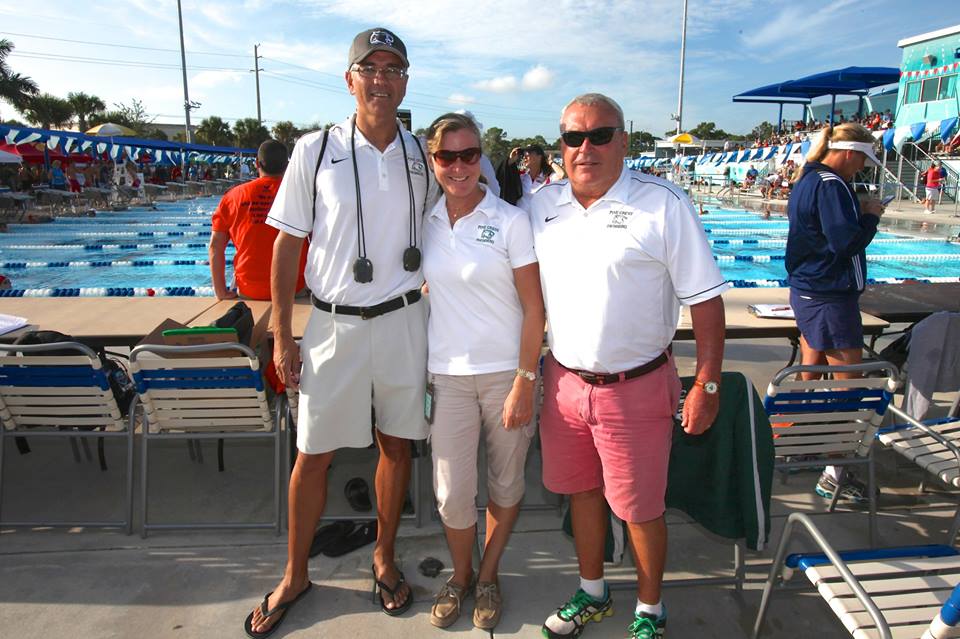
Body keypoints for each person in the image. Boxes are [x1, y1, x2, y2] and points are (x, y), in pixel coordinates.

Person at [247, 27, 435, 637]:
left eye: (393, 69)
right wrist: (283, 334)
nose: (381, 79)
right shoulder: (315, 149)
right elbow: (287, 245)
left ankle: (384, 556)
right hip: (333, 324)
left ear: (405, 81)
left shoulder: (424, 154)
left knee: (397, 445)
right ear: (349, 79)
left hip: (404, 319)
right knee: (313, 455)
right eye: (369, 68)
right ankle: (295, 573)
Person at [526, 93, 727, 639]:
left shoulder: (664, 204)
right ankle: (592, 591)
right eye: (574, 137)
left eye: (600, 135)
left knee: (640, 510)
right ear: (561, 145)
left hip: (635, 387)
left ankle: (650, 609)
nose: (585, 148)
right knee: (581, 494)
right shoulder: (541, 206)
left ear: (623, 141)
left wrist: (707, 382)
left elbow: (706, 300)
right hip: (565, 383)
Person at [421, 113, 544, 630]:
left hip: (504, 376)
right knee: (451, 493)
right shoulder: (424, 223)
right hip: (446, 375)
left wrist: (525, 380)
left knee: (506, 483)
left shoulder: (511, 221)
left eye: (468, 155)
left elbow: (534, 309)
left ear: (482, 159)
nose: (458, 166)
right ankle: (461, 574)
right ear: (433, 161)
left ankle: (488, 575)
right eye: (446, 156)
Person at [784, 123, 886, 502]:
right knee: (848, 387)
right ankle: (835, 474)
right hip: (831, 297)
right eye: (862, 160)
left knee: (809, 372)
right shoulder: (831, 185)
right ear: (848, 153)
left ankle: (800, 443)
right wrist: (870, 215)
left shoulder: (807, 179)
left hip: (809, 291)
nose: (861, 168)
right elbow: (845, 243)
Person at [209, 139, 307, 301]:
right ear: (288, 165)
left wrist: (220, 291)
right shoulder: (303, 196)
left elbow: (215, 246)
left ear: (257, 164)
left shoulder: (233, 196)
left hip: (250, 290)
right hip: (293, 289)